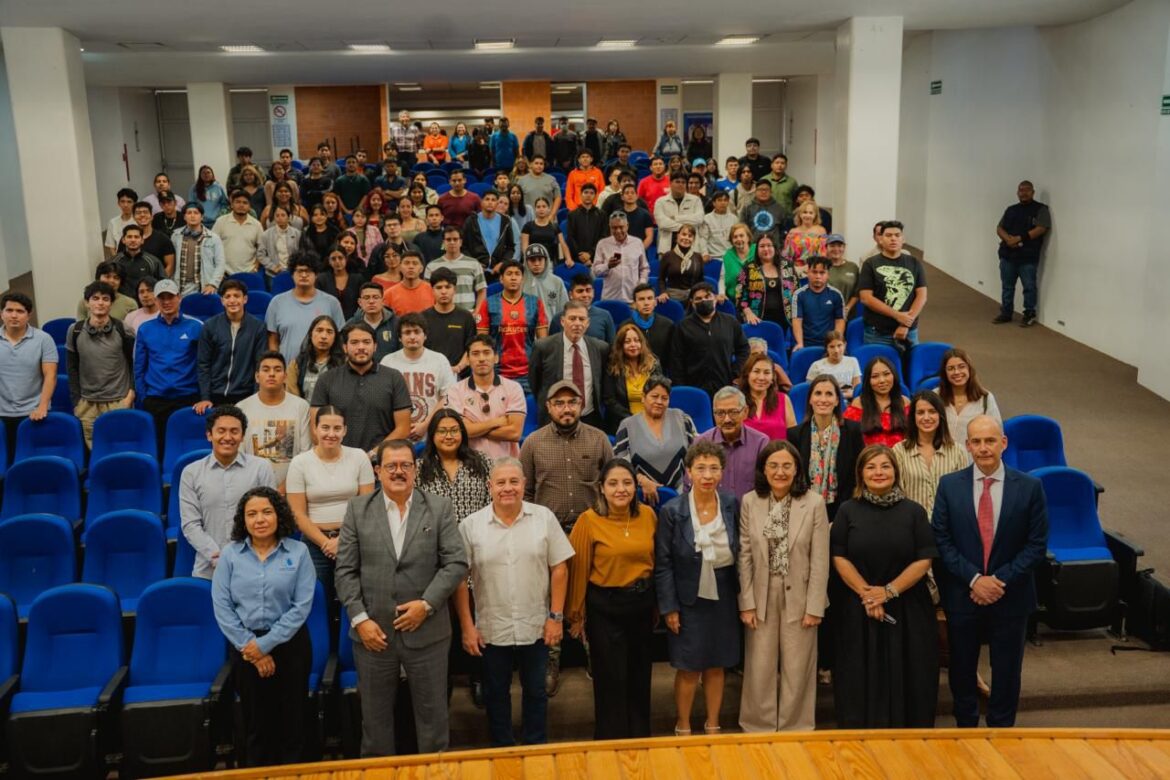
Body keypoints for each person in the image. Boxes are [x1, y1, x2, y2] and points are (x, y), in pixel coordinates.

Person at [333, 438, 468, 756]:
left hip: (428, 632)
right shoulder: (357, 510)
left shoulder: (438, 507)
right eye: (391, 465)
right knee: (375, 724)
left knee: (433, 721)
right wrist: (360, 620)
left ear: (415, 469)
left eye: (405, 465)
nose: (398, 471)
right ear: (378, 471)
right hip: (373, 635)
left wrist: (427, 604)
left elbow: (456, 563)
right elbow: (345, 572)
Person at [932, 415, 1049, 728]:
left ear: (1003, 443)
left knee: (1007, 671)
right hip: (963, 594)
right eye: (977, 441)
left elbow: (1036, 545)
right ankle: (966, 728)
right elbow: (941, 540)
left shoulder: (1030, 487)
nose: (983, 448)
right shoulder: (949, 486)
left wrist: (997, 581)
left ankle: (1002, 730)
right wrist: (974, 579)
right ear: (967, 445)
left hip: (1011, 596)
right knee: (961, 668)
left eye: (990, 441)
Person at [455, 456, 572, 747]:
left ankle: (535, 746)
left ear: (524, 484)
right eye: (501, 482)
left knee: (536, 691)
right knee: (496, 693)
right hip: (491, 627)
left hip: (537, 623)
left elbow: (560, 568)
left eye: (514, 482)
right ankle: (502, 748)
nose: (508, 488)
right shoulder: (471, 526)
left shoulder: (544, 518)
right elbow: (459, 579)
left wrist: (556, 617)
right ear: (489, 486)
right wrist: (467, 626)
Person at [831, 444, 939, 728]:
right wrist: (869, 595)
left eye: (885, 466)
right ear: (860, 474)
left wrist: (888, 592)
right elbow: (839, 556)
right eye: (871, 467)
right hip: (858, 607)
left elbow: (924, 559)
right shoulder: (847, 510)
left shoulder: (914, 512)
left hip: (908, 608)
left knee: (910, 675)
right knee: (858, 677)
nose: (878, 472)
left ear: (896, 471)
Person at [211, 486, 314, 767]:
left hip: (291, 647)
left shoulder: (299, 552)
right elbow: (222, 607)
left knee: (292, 723)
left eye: (267, 512)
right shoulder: (230, 555)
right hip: (245, 650)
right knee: (255, 725)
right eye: (252, 514)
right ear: (243, 520)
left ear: (279, 515)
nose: (260, 519)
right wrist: (252, 648)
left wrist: (264, 645)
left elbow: (301, 606)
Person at [737, 440, 829, 732]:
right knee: (759, 666)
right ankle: (758, 725)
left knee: (798, 666)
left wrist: (815, 606)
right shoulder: (750, 501)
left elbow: (820, 559)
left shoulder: (814, 503)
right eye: (773, 465)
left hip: (800, 595)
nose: (780, 472)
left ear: (797, 469)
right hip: (761, 594)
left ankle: (795, 726)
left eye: (787, 465)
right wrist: (746, 603)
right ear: (763, 469)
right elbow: (745, 556)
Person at [565, 458, 658, 738]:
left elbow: (656, 562)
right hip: (605, 609)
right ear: (602, 488)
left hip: (641, 605)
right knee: (610, 679)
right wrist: (576, 615)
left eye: (627, 483)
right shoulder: (589, 520)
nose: (621, 489)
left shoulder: (648, 516)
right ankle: (611, 741)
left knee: (640, 676)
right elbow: (578, 569)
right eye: (613, 483)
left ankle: (640, 738)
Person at [654, 440, 740, 736]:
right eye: (700, 468)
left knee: (717, 664)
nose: (707, 475)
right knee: (689, 666)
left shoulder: (731, 503)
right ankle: (683, 726)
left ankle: (713, 724)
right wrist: (670, 607)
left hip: (724, 594)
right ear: (688, 472)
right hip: (687, 597)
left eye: (714, 468)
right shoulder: (672, 510)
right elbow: (663, 563)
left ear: (722, 472)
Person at [287, 405, 376, 602]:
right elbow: (297, 514)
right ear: (315, 429)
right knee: (317, 600)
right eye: (325, 427)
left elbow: (367, 508)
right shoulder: (300, 463)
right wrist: (326, 543)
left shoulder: (359, 457)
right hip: (315, 543)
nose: (331, 434)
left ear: (345, 430)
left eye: (337, 428)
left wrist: (342, 540)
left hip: (354, 540)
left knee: (355, 600)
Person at [179, 406, 278, 579]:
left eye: (234, 431)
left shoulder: (261, 468)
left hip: (255, 567)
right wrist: (217, 556)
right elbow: (190, 525)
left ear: (242, 436)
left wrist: (244, 556)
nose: (227, 437)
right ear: (209, 435)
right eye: (221, 431)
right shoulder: (191, 473)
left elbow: (270, 518)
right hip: (208, 569)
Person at [311, 323, 412, 454]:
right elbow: (315, 429)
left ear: (375, 346)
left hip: (380, 460)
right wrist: (341, 457)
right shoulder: (327, 379)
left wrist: (372, 455)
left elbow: (403, 428)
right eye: (354, 342)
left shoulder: (393, 377)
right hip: (338, 459)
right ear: (345, 347)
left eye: (366, 342)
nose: (361, 347)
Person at [65, 282, 135, 448]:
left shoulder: (123, 329)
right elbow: (72, 368)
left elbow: (134, 364)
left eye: (105, 299)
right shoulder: (74, 331)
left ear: (111, 303)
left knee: (120, 449)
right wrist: (77, 402)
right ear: (87, 303)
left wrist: (130, 396)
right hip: (87, 405)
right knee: (95, 453)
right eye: (95, 298)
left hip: (119, 401)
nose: (100, 303)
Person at [133, 279, 202, 447]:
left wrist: (202, 395)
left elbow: (204, 365)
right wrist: (144, 397)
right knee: (160, 448)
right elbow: (139, 367)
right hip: (156, 400)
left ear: (179, 298)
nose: (166, 302)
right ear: (156, 301)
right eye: (161, 298)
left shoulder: (196, 327)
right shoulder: (145, 329)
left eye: (170, 297)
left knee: (187, 446)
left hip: (188, 398)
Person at [787, 374, 865, 521]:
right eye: (818, 393)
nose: (823, 399)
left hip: (845, 509)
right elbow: (795, 478)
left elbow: (858, 473)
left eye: (829, 394)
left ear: (837, 401)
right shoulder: (795, 435)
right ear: (810, 399)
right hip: (805, 510)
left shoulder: (853, 431)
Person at [613, 370, 697, 502]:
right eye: (654, 396)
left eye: (664, 398)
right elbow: (621, 465)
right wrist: (642, 481)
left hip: (683, 494)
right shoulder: (627, 426)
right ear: (643, 398)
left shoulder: (682, 418)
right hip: (643, 495)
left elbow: (697, 455)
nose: (659, 401)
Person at [528, 302, 609, 429]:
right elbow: (535, 383)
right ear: (562, 321)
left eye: (581, 319)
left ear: (587, 323)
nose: (577, 323)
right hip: (554, 419)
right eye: (572, 318)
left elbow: (603, 384)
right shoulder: (543, 347)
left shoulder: (600, 348)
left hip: (590, 418)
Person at [446, 335, 526, 460]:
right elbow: (459, 431)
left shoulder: (513, 388)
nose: (481, 359)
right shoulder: (455, 391)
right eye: (475, 354)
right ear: (468, 359)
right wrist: (496, 422)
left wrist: (473, 428)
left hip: (506, 464)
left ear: (496, 358)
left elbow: (514, 433)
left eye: (487, 353)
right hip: (470, 463)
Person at [237, 351, 311, 488]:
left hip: (293, 487)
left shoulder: (301, 406)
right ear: (257, 377)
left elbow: (305, 454)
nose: (271, 374)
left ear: (285, 377)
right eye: (266, 370)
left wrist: (285, 487)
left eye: (277, 370)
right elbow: (239, 455)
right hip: (252, 487)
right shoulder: (242, 408)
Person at [381, 313, 457, 442]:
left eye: (417, 332)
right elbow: (382, 401)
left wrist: (426, 425)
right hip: (396, 437)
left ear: (425, 335)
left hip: (432, 435)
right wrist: (401, 429)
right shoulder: (388, 362)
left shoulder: (439, 360)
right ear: (399, 337)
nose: (412, 336)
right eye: (407, 332)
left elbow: (448, 397)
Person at [894, 391, 971, 516]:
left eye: (932, 411)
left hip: (947, 521)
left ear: (940, 415)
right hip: (910, 521)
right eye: (920, 412)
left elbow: (962, 494)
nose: (926, 417)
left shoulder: (958, 451)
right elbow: (898, 494)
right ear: (913, 417)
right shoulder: (899, 451)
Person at [194, 279, 267, 411]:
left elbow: (259, 365)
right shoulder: (210, 326)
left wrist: (256, 398)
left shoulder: (258, 327)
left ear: (245, 299)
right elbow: (203, 364)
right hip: (216, 395)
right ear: (222, 301)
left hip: (245, 395)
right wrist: (205, 397)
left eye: (236, 296)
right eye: (227, 296)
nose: (232, 300)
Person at [475, 259, 547, 392]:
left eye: (517, 274)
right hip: (497, 372)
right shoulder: (488, 303)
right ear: (501, 279)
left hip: (527, 373)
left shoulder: (535, 303)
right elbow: (482, 342)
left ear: (522, 279)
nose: (513, 278)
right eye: (509, 274)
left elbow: (543, 342)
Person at [671, 282, 750, 398]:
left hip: (725, 385)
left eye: (707, 296)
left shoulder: (730, 322)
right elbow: (676, 360)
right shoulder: (683, 327)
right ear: (692, 303)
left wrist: (735, 372)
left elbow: (744, 349)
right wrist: (682, 388)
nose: (704, 300)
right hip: (694, 387)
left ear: (715, 298)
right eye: (698, 298)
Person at [858, 221, 928, 348]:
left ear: (903, 239)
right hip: (877, 333)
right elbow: (865, 298)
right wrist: (897, 315)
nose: (893, 238)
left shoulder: (914, 263)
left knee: (911, 361)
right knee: (877, 361)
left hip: (908, 332)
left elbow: (921, 296)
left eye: (897, 235)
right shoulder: (870, 264)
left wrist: (905, 324)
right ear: (881, 239)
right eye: (888, 235)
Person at [265, 253, 344, 363]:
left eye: (308, 271)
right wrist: (277, 365)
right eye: (299, 271)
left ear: (316, 274)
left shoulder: (331, 303)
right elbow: (273, 340)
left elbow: (339, 339)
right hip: (287, 368)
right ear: (292, 274)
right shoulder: (277, 302)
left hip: (323, 369)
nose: (304, 275)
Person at [415, 409, 492, 521]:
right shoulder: (419, 468)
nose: (449, 436)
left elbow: (492, 503)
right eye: (442, 431)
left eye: (454, 430)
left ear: (462, 433)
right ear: (432, 435)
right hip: (434, 531)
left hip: (476, 531)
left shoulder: (482, 462)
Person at [696, 386, 769, 501]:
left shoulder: (761, 443)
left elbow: (767, 486)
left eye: (733, 412)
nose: (727, 419)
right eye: (720, 413)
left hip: (751, 510)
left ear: (745, 412)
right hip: (713, 511)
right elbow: (690, 486)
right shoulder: (701, 443)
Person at [994, 181, 1050, 327]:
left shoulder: (1041, 209)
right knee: (1007, 287)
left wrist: (1019, 238)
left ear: (1033, 192)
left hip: (1028, 257)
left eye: (1027, 190)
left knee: (1029, 287)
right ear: (1017, 192)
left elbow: (1041, 228)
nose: (1023, 193)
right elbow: (999, 228)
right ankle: (1006, 313)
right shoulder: (1011, 209)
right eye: (1021, 190)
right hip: (1008, 255)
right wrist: (1009, 240)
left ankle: (1029, 314)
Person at [603, 322, 662, 433]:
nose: (633, 345)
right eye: (627, 342)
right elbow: (610, 400)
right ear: (620, 345)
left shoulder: (653, 364)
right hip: (623, 423)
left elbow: (660, 394)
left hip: (652, 421)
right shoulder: (613, 367)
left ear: (642, 343)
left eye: (637, 340)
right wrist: (635, 420)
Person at [938, 347, 1003, 444]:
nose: (956, 372)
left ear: (969, 369)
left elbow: (997, 434)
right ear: (944, 373)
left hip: (973, 453)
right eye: (950, 368)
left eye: (961, 366)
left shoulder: (985, 398)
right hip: (940, 453)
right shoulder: (935, 396)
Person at [421, 268, 477, 376]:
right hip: (430, 375)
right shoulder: (422, 318)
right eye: (439, 287)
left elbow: (471, 347)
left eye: (447, 287)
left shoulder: (466, 317)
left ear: (454, 289)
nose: (443, 291)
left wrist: (458, 368)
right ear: (432, 290)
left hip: (460, 375)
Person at [845, 356, 910, 447]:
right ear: (868, 380)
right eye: (875, 376)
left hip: (900, 455)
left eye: (886, 374)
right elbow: (848, 437)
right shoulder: (859, 403)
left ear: (894, 375)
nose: (882, 380)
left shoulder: (905, 402)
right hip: (868, 454)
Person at [422, 226, 487, 312]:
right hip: (441, 315)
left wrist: (477, 311)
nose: (452, 242)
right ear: (443, 242)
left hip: (468, 314)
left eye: (455, 239)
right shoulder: (432, 266)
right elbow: (427, 293)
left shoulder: (474, 264)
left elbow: (482, 290)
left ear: (461, 242)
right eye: (448, 239)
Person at [592, 212, 649, 303]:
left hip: (632, 298)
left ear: (627, 226)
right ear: (610, 227)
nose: (618, 231)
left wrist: (641, 285)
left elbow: (644, 268)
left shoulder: (637, 243)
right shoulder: (602, 244)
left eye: (621, 227)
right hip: (610, 298)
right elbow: (595, 271)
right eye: (614, 228)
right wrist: (608, 266)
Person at [171, 202, 226, 296]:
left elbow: (220, 264)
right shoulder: (176, 236)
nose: (192, 216)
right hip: (181, 286)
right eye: (189, 213)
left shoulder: (213, 238)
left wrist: (213, 284)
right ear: (184, 217)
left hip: (205, 287)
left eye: (196, 213)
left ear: (202, 217)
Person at [462, 190, 516, 281]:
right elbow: (463, 247)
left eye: (493, 200)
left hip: (498, 272)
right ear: (481, 202)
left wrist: (502, 263)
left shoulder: (505, 221)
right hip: (475, 271)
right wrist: (474, 263)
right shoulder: (471, 221)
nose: (490, 202)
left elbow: (510, 247)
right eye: (487, 199)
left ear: (497, 203)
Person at [741, 352, 797, 440]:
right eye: (756, 371)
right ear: (747, 374)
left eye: (766, 373)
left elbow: (793, 437)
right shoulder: (737, 400)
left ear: (772, 378)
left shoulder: (784, 399)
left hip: (778, 448)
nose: (761, 377)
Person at [793, 256, 845, 349]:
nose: (818, 276)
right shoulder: (799, 295)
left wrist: (835, 343)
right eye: (814, 272)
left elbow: (839, 321)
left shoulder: (836, 295)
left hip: (829, 345)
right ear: (808, 272)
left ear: (828, 274)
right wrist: (800, 343)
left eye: (822, 272)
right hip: (806, 345)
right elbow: (797, 321)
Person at [287, 315, 344, 400]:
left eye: (329, 332)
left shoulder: (344, 363)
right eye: (319, 330)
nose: (324, 336)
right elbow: (293, 398)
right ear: (311, 334)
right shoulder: (296, 364)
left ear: (335, 337)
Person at [549, 274, 616, 343]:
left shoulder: (605, 316)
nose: (585, 295)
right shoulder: (558, 318)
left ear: (593, 292)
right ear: (571, 295)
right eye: (580, 291)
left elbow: (613, 345)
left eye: (588, 290)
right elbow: (552, 345)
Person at [110, 224, 166, 301]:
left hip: (146, 303)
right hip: (122, 303)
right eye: (129, 237)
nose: (133, 240)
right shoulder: (114, 262)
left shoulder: (153, 261)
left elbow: (162, 284)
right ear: (123, 240)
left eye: (136, 237)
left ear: (142, 240)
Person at [214, 190, 264, 276]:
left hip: (249, 272)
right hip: (225, 273)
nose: (241, 205)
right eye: (238, 202)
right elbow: (212, 245)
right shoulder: (221, 221)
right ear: (231, 205)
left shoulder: (256, 225)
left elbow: (262, 248)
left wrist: (256, 267)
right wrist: (218, 269)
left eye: (245, 203)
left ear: (250, 206)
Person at [654, 173, 705, 255]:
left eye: (683, 182)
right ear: (670, 183)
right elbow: (662, 223)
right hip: (666, 249)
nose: (681, 184)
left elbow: (699, 219)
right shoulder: (660, 202)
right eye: (677, 182)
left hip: (691, 248)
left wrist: (676, 218)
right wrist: (686, 228)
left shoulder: (696, 200)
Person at [657, 223, 705, 306]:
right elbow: (661, 279)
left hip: (692, 298)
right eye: (684, 234)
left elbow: (700, 279)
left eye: (690, 236)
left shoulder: (698, 257)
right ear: (678, 236)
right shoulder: (668, 255)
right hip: (672, 297)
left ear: (693, 239)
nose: (686, 238)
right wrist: (663, 292)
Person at [74, 261, 138, 322]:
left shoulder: (130, 304)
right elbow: (80, 327)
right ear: (98, 278)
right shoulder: (85, 301)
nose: (111, 281)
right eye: (107, 276)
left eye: (116, 278)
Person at [350, 282, 399, 363]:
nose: (371, 301)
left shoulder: (397, 324)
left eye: (375, 297)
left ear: (383, 301)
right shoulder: (351, 325)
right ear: (360, 302)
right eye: (366, 298)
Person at [805, 331, 861, 399]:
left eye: (839, 345)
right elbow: (810, 391)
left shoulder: (852, 361)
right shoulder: (816, 366)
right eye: (832, 347)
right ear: (827, 348)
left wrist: (845, 395)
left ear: (845, 345)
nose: (836, 350)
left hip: (849, 401)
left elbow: (857, 391)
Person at [380, 251, 433, 322]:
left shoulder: (432, 291)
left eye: (415, 263)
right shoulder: (389, 294)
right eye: (406, 263)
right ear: (400, 267)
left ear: (421, 269)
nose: (411, 267)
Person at [630, 283, 674, 366]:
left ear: (655, 302)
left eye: (650, 298)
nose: (646, 303)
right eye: (641, 299)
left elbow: (673, 357)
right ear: (634, 304)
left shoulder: (668, 325)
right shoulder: (626, 326)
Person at [316, 244, 363, 320]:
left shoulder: (358, 279)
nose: (337, 261)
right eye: (333, 259)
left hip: (354, 322)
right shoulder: (322, 279)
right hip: (328, 321)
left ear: (346, 259)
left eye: (340, 258)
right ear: (329, 261)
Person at [566, 184, 607, 270]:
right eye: (586, 192)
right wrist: (580, 255)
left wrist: (590, 254)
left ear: (595, 196)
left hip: (596, 257)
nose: (588, 195)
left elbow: (603, 237)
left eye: (591, 193)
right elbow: (570, 237)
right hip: (577, 259)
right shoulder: (572, 215)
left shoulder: (601, 215)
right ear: (581, 195)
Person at [257, 205, 302, 280]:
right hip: (273, 274)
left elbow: (301, 253)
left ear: (288, 217)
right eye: (277, 216)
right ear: (274, 218)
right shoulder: (266, 235)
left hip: (293, 272)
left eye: (283, 215)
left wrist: (295, 266)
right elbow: (260, 254)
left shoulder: (297, 233)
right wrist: (272, 267)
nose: (280, 218)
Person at [521, 197, 570, 265]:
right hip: (533, 261)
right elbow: (524, 247)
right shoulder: (528, 226)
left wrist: (568, 259)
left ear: (549, 209)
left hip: (550, 262)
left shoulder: (555, 227)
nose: (541, 209)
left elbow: (563, 244)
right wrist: (527, 260)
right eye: (538, 207)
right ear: (535, 209)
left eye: (544, 206)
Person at [740, 181, 788, 249]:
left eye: (766, 190)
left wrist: (780, 244)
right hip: (753, 248)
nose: (763, 192)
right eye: (760, 189)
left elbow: (784, 229)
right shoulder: (747, 208)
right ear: (755, 192)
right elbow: (742, 229)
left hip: (774, 248)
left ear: (771, 192)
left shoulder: (779, 208)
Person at [825, 234, 861, 318]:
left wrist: (847, 308)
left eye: (839, 246)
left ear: (844, 247)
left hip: (848, 314)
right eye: (832, 246)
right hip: (825, 314)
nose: (836, 249)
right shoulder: (822, 266)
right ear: (826, 247)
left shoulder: (853, 267)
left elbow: (857, 292)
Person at [699, 190, 737, 260]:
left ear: (728, 202)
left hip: (731, 257)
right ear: (714, 203)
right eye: (719, 200)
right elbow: (703, 239)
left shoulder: (734, 219)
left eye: (725, 200)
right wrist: (705, 253)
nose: (723, 203)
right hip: (713, 257)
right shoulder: (707, 219)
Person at [103, 187, 138, 259]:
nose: (125, 205)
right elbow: (112, 246)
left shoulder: (138, 221)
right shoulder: (113, 222)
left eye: (129, 202)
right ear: (118, 203)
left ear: (134, 204)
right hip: (119, 259)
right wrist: (117, 260)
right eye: (122, 201)